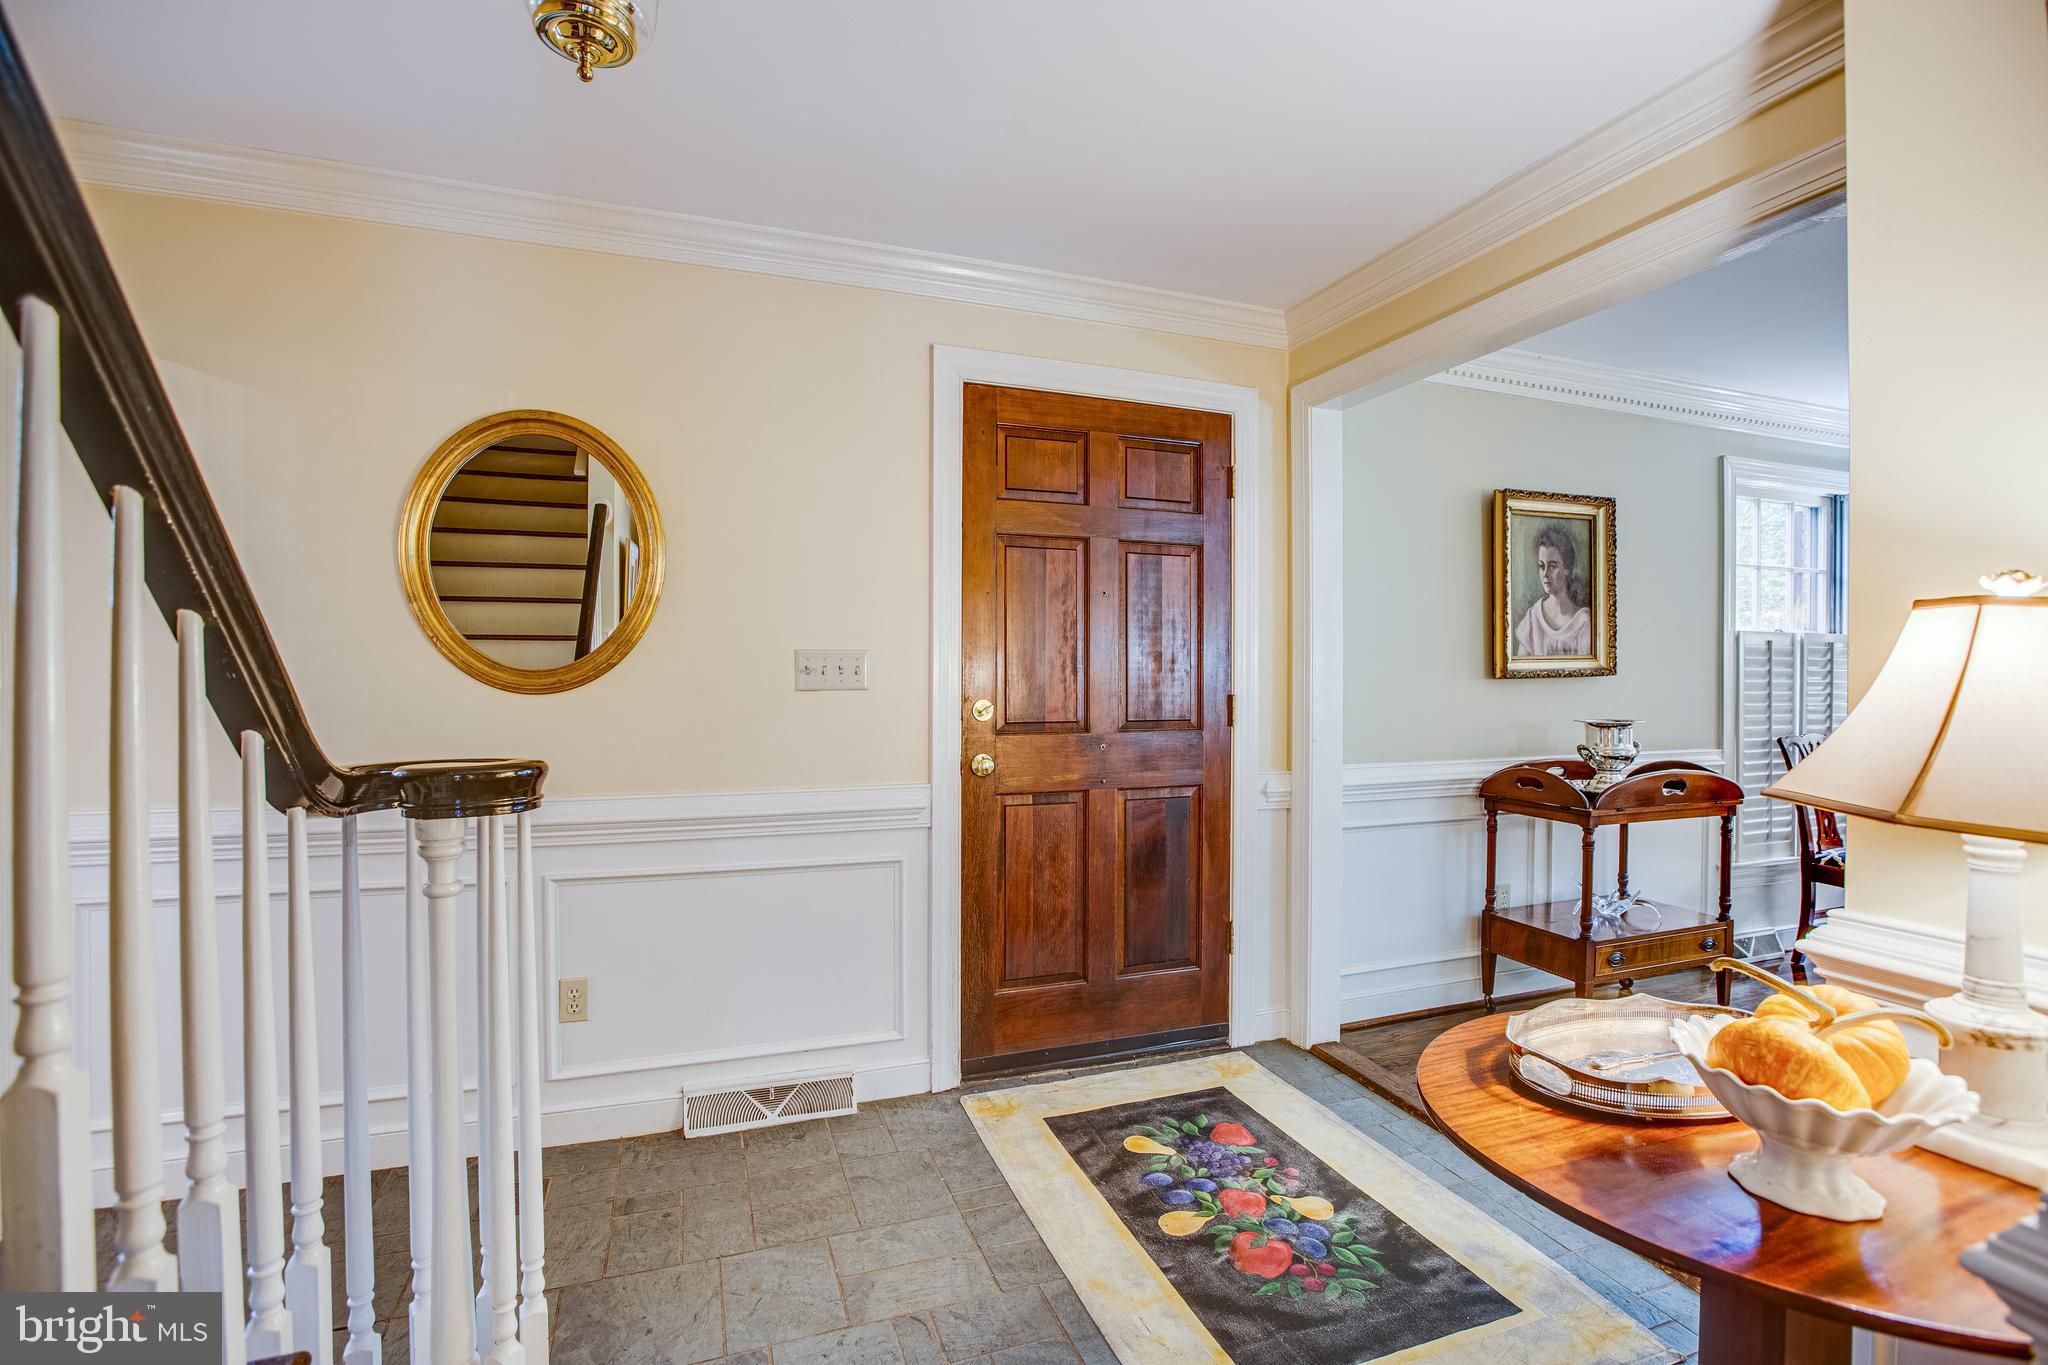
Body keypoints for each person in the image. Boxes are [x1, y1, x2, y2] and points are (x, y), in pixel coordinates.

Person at [1514, 525, 1592, 656]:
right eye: (1541, 566)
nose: (1545, 574)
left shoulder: (1584, 622)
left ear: (1567, 568)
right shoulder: (1533, 618)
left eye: (1552, 566)